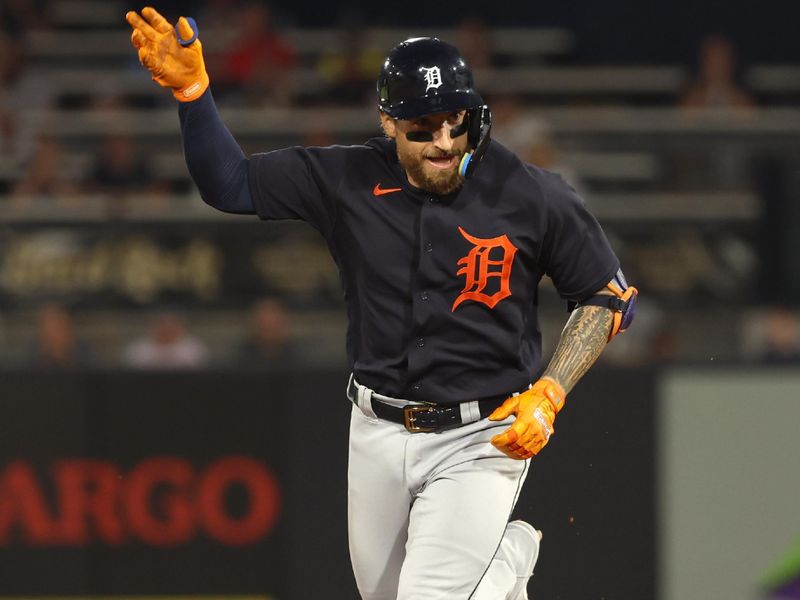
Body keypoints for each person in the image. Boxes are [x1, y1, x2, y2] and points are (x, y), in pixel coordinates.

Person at [126, 8, 638, 599]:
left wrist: (551, 392)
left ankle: (498, 561)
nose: (445, 142)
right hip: (375, 427)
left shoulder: (530, 194)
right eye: (423, 127)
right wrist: (194, 94)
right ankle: (503, 572)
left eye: (456, 122)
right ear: (389, 123)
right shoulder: (346, 179)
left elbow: (605, 296)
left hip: (483, 435)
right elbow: (229, 184)